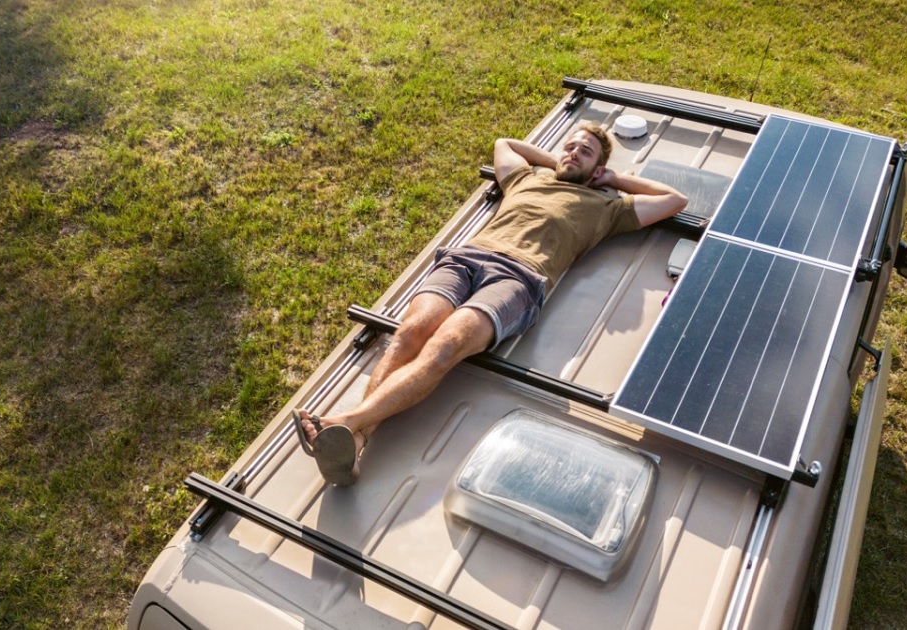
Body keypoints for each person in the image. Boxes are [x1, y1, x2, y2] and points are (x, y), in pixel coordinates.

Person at [295, 122, 688, 485]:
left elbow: (675, 199)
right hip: (465, 259)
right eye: (569, 146)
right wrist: (559, 160)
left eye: (585, 152)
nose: (572, 153)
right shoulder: (525, 179)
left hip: (518, 278)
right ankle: (357, 441)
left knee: (444, 348)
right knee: (409, 335)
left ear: (598, 168)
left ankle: (346, 422)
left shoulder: (608, 208)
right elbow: (505, 143)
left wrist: (614, 179)